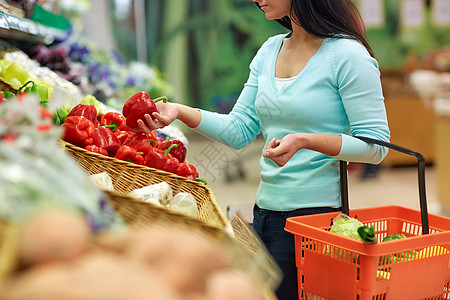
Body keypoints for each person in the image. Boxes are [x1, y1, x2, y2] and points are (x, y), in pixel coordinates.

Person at [136, 0, 390, 299]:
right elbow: (240, 129)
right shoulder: (269, 50)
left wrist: (306, 140)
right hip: (264, 214)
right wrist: (179, 111)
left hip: (315, 221)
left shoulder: (347, 56)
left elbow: (375, 146)